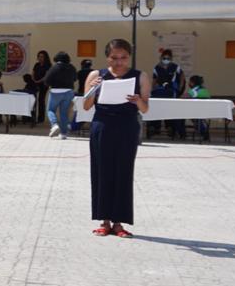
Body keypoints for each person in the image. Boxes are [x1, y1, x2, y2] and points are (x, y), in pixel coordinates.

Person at [83, 38, 151, 238]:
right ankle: (104, 221)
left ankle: (118, 223)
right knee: (102, 171)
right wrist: (93, 89)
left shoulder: (140, 76)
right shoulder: (97, 75)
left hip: (127, 127)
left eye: (123, 58)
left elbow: (145, 109)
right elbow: (86, 106)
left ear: (129, 57)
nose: (118, 62)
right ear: (107, 57)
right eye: (114, 57)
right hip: (102, 126)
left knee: (123, 172)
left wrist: (138, 100)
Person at [150, 49, 186, 140]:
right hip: (159, 91)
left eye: (168, 58)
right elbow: (154, 80)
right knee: (157, 108)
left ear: (171, 58)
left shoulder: (175, 67)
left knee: (169, 109)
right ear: (161, 57)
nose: (166, 59)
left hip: (171, 91)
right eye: (164, 58)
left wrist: (180, 89)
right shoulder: (157, 68)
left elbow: (182, 77)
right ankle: (155, 126)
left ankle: (170, 127)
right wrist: (151, 90)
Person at [45, 51, 78, 139]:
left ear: (56, 58)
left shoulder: (54, 67)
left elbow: (46, 80)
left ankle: (54, 125)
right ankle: (63, 134)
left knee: (51, 110)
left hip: (55, 92)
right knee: (64, 113)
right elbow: (75, 78)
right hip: (68, 92)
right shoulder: (71, 67)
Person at [187, 74, 211, 142]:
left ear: (193, 83)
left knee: (181, 114)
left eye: (190, 82)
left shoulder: (193, 91)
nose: (189, 83)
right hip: (206, 111)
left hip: (196, 112)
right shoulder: (205, 90)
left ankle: (181, 133)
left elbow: (185, 97)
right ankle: (204, 131)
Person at [31, 50, 51, 123]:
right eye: (39, 56)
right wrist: (34, 79)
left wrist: (38, 81)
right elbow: (33, 72)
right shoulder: (37, 64)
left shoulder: (48, 65)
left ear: (45, 57)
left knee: (41, 101)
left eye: (42, 57)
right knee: (33, 100)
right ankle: (33, 117)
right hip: (35, 83)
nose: (40, 58)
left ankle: (41, 118)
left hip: (43, 85)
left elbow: (46, 76)